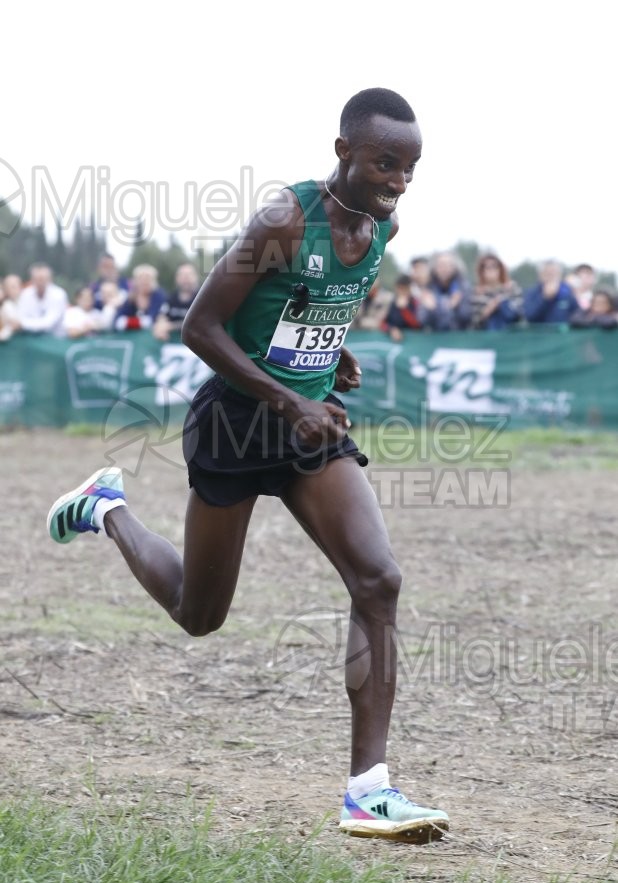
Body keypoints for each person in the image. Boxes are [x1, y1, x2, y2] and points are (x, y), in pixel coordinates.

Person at [46, 88, 449, 844]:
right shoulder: (286, 220)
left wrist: (334, 349)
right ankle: (107, 507)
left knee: (378, 579)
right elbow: (201, 325)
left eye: (410, 166)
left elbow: (311, 301)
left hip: (309, 429)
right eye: (385, 162)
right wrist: (288, 399)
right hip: (236, 423)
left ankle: (368, 791)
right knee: (199, 615)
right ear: (343, 154)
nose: (399, 179)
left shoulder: (383, 224)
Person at [421, 251, 472, 331]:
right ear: (435, 268)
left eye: (448, 265)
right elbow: (422, 319)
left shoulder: (463, 287)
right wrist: (432, 310)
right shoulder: (429, 288)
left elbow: (466, 317)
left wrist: (455, 307)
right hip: (435, 338)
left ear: (454, 267)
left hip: (458, 338)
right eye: (441, 265)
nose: (444, 269)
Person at [470, 253, 522, 330]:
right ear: (482, 271)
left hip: (511, 332)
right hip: (486, 334)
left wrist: (502, 301)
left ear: (500, 269)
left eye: (494, 266)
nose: (491, 270)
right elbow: (473, 322)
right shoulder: (476, 293)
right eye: (487, 267)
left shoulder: (512, 288)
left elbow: (520, 313)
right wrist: (487, 311)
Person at [15, 263, 68, 336]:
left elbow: (49, 323)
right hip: (31, 336)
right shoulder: (26, 293)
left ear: (49, 279)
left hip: (55, 338)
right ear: (32, 279)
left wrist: (24, 323)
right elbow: (20, 316)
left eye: (42, 279)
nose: (39, 282)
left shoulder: (59, 295)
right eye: (36, 279)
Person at [152, 262, 199, 341]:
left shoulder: (202, 299)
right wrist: (160, 326)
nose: (185, 278)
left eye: (188, 275)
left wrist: (170, 326)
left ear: (195, 277)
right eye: (182, 275)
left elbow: (199, 323)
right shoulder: (171, 298)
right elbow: (162, 315)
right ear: (177, 278)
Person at [113, 264, 167, 331]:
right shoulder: (131, 297)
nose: (144, 281)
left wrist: (128, 322)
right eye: (141, 278)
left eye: (148, 278)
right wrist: (139, 322)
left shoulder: (159, 296)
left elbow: (152, 320)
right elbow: (118, 321)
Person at [523, 260, 579, 324]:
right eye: (548, 274)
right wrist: (545, 298)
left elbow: (577, 314)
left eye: (554, 273)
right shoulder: (532, 293)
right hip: (540, 333)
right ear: (540, 275)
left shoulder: (567, 292)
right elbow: (530, 317)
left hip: (562, 333)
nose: (551, 277)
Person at [384, 274, 424, 341]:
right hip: (396, 342)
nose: (401, 291)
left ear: (409, 288)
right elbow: (384, 323)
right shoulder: (393, 303)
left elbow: (417, 326)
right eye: (398, 288)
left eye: (403, 289)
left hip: (414, 340)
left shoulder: (415, 302)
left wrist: (404, 310)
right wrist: (392, 330)